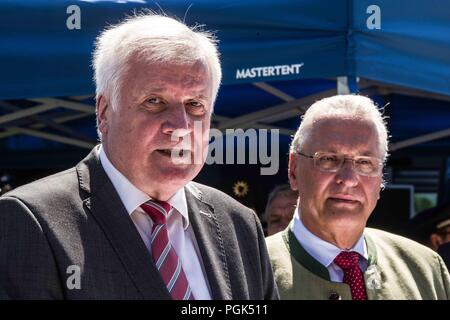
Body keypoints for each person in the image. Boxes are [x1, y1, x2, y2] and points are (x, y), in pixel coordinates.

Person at [0, 13, 278, 300]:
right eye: (155, 102)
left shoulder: (238, 223)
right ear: (104, 112)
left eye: (195, 104)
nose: (180, 127)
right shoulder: (30, 220)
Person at [266, 95, 450, 300]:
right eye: (329, 159)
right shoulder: (247, 272)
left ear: (380, 179)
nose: (348, 179)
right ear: (293, 170)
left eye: (364, 163)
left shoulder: (425, 269)